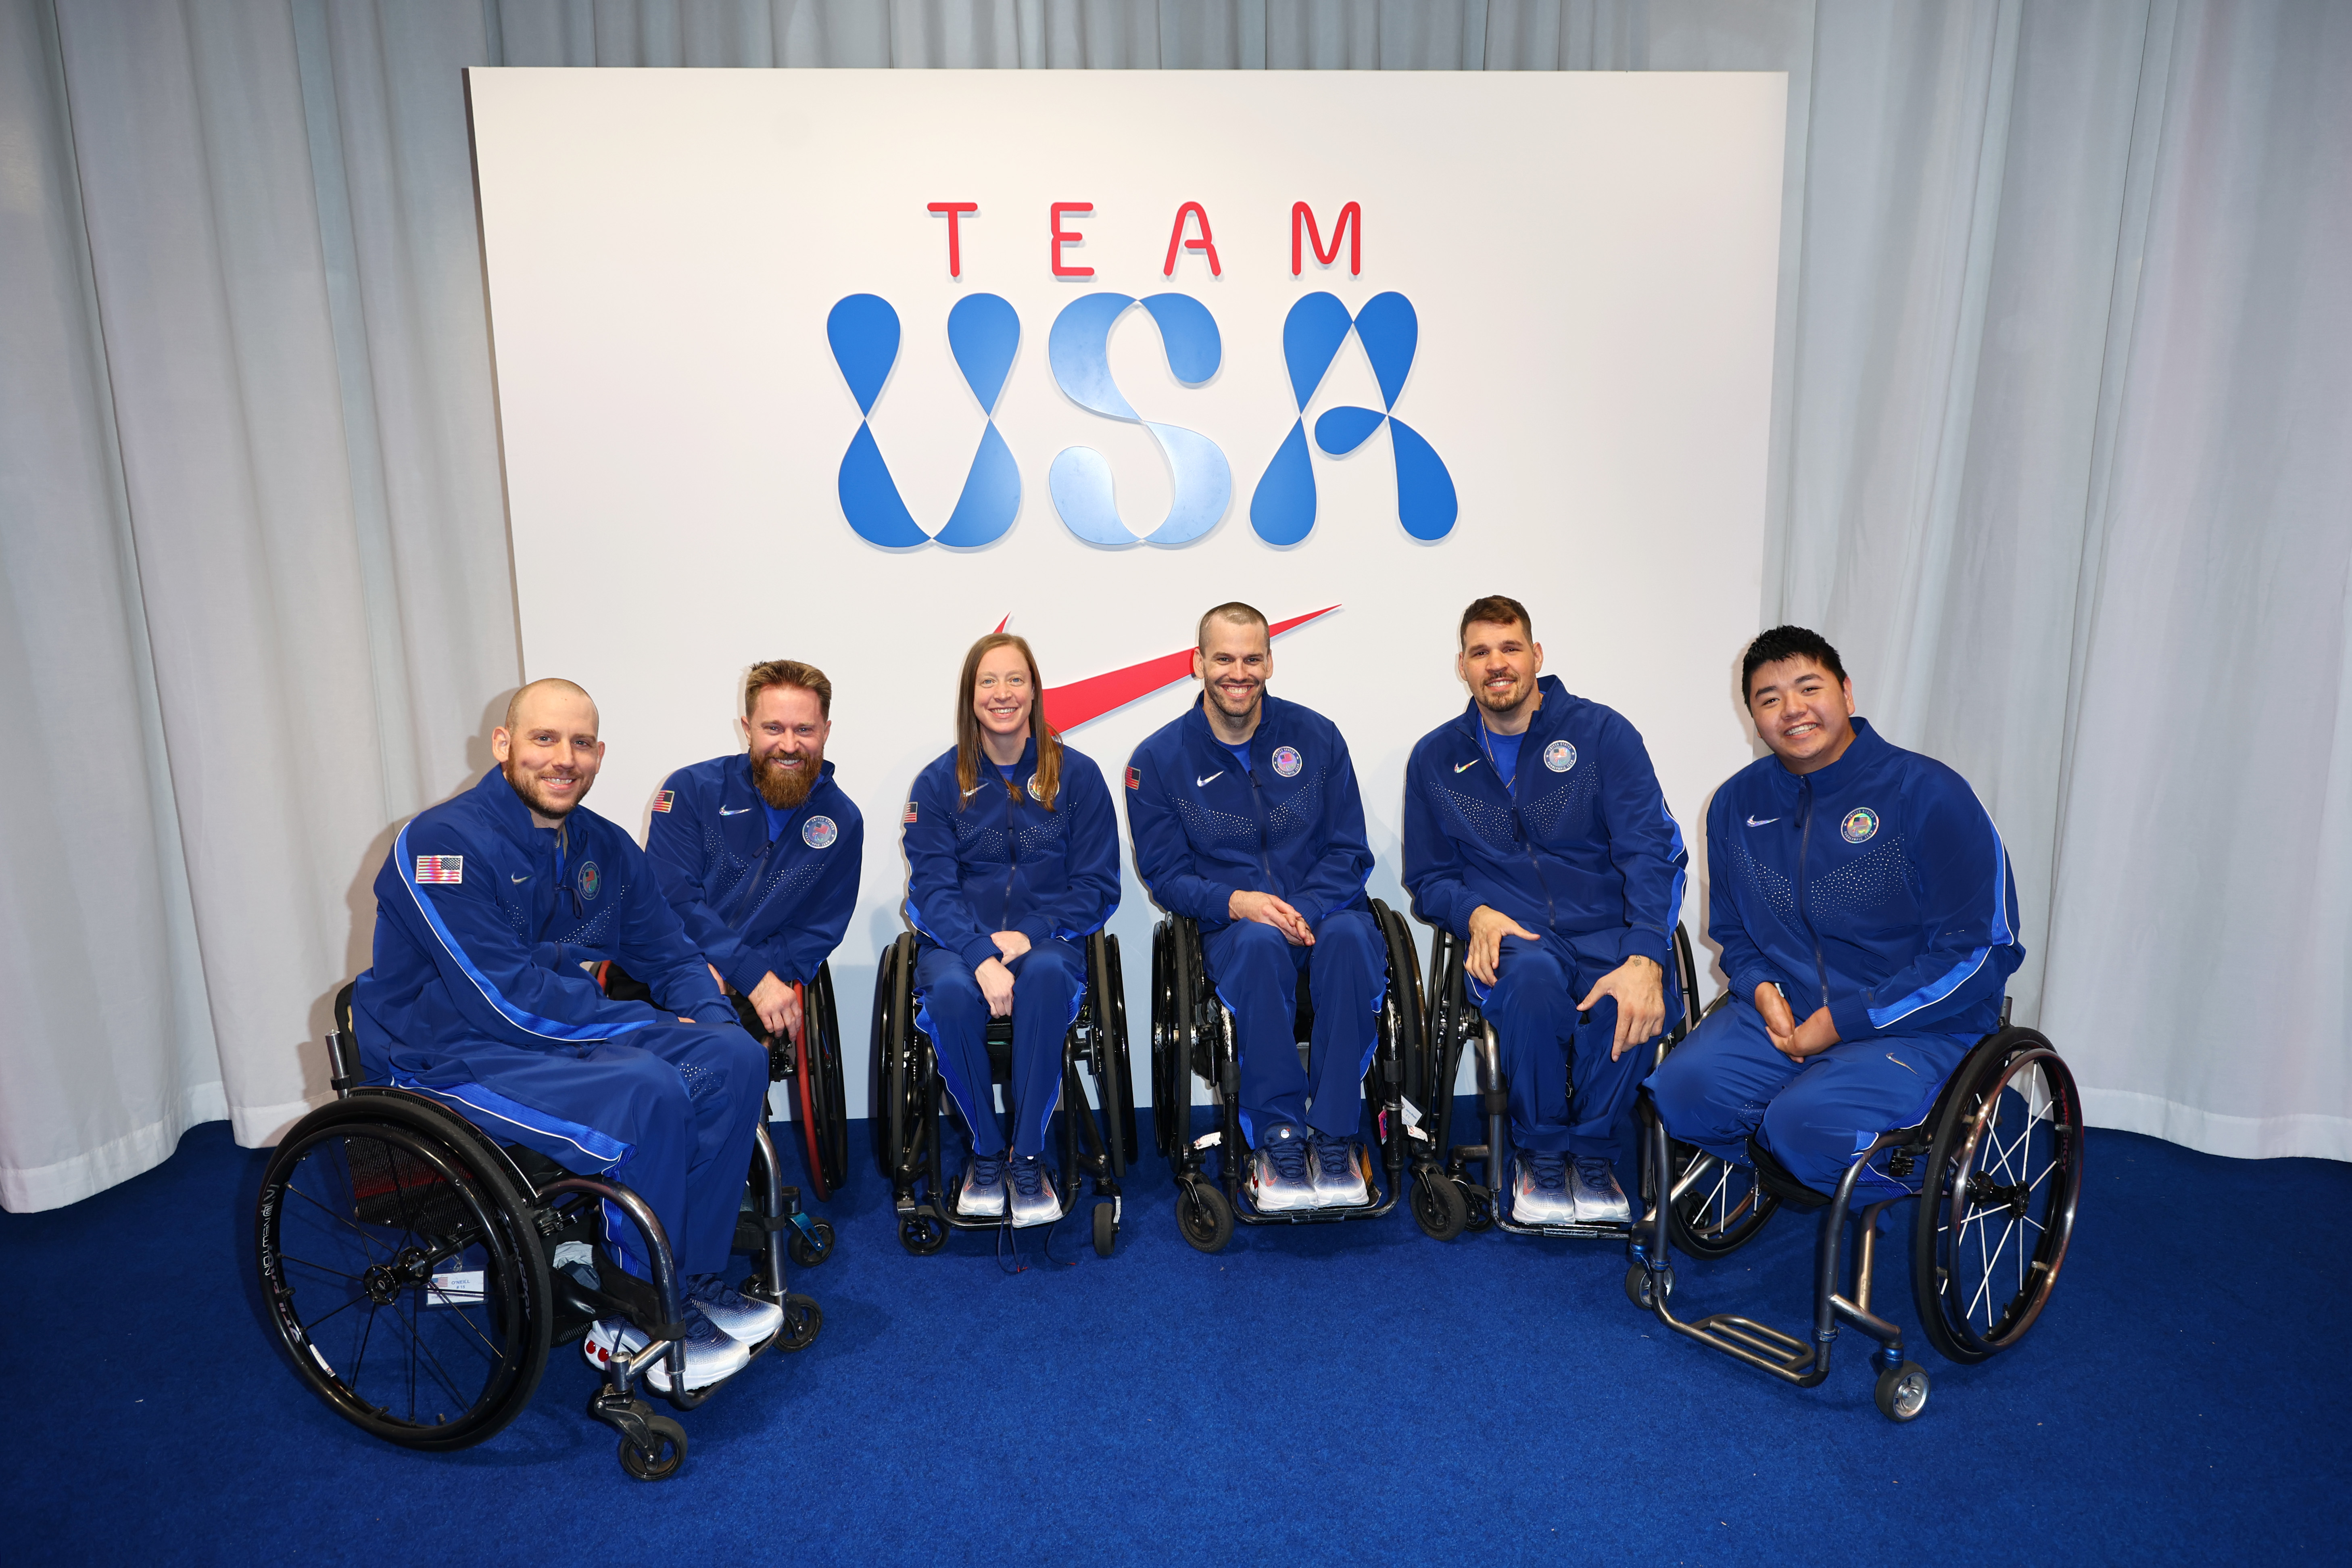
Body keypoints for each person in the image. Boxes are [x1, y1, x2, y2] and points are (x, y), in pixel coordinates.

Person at [351, 678, 778, 1395]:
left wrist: (710, 1021)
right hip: (446, 1054)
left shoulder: (604, 847)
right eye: (545, 738)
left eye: (581, 742)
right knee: (647, 1087)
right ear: (504, 745)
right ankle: (634, 1314)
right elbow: (505, 1002)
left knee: (732, 1058)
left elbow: (669, 954)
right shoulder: (441, 843)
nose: (564, 758)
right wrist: (644, 1028)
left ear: (600, 753)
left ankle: (692, 1279)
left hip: (547, 1040)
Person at [1646, 626, 2024, 1200]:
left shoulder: (1926, 792)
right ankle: (1795, 1150)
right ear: (1750, 713)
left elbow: (1982, 950)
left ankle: (1896, 1172)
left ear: (1846, 692)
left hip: (1916, 1025)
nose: (1790, 709)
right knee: (1680, 1090)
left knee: (1804, 1127)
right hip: (1785, 1016)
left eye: (1807, 687)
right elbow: (1732, 932)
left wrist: (1844, 1021)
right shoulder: (1734, 805)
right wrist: (1760, 987)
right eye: (1767, 698)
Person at [1402, 595, 1688, 1224]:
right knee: (1530, 984)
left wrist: (1645, 952)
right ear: (1462, 666)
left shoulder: (1601, 733)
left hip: (1609, 925)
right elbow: (1427, 878)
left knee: (1628, 997)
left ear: (1536, 656)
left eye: (1509, 648)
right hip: (1511, 933)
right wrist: (1472, 910)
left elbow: (1651, 850)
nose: (1495, 663)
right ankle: (1536, 1155)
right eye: (1480, 652)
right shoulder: (1433, 756)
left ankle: (1589, 1154)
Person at [1125, 602, 1384, 1214]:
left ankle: (1337, 1134)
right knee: (1261, 944)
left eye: (1250, 658)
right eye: (1222, 658)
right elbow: (1164, 876)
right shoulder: (1157, 760)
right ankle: (1280, 1140)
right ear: (1197, 664)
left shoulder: (1317, 737)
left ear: (1269, 661)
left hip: (1327, 916)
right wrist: (1237, 902)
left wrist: (1307, 908)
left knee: (1351, 938)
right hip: (1234, 931)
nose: (1236, 672)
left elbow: (1349, 850)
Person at [901, 633, 1120, 1228]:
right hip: (957, 944)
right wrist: (978, 953)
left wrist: (1029, 932)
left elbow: (1098, 885)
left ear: (1035, 690)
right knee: (946, 993)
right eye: (988, 682)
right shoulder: (936, 782)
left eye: (1014, 679)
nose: (1002, 694)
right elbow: (931, 890)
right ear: (970, 696)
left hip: (1047, 940)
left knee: (1049, 974)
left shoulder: (1077, 776)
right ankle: (985, 1152)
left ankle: (1027, 1155)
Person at [644, 659, 863, 1055]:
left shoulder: (842, 820)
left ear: (826, 731)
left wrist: (744, 974)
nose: (790, 744)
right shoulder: (691, 790)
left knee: (719, 1057)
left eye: (805, 729)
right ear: (747, 728)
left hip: (754, 982)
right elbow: (672, 898)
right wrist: (704, 966)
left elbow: (816, 931)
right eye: (773, 728)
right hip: (662, 962)